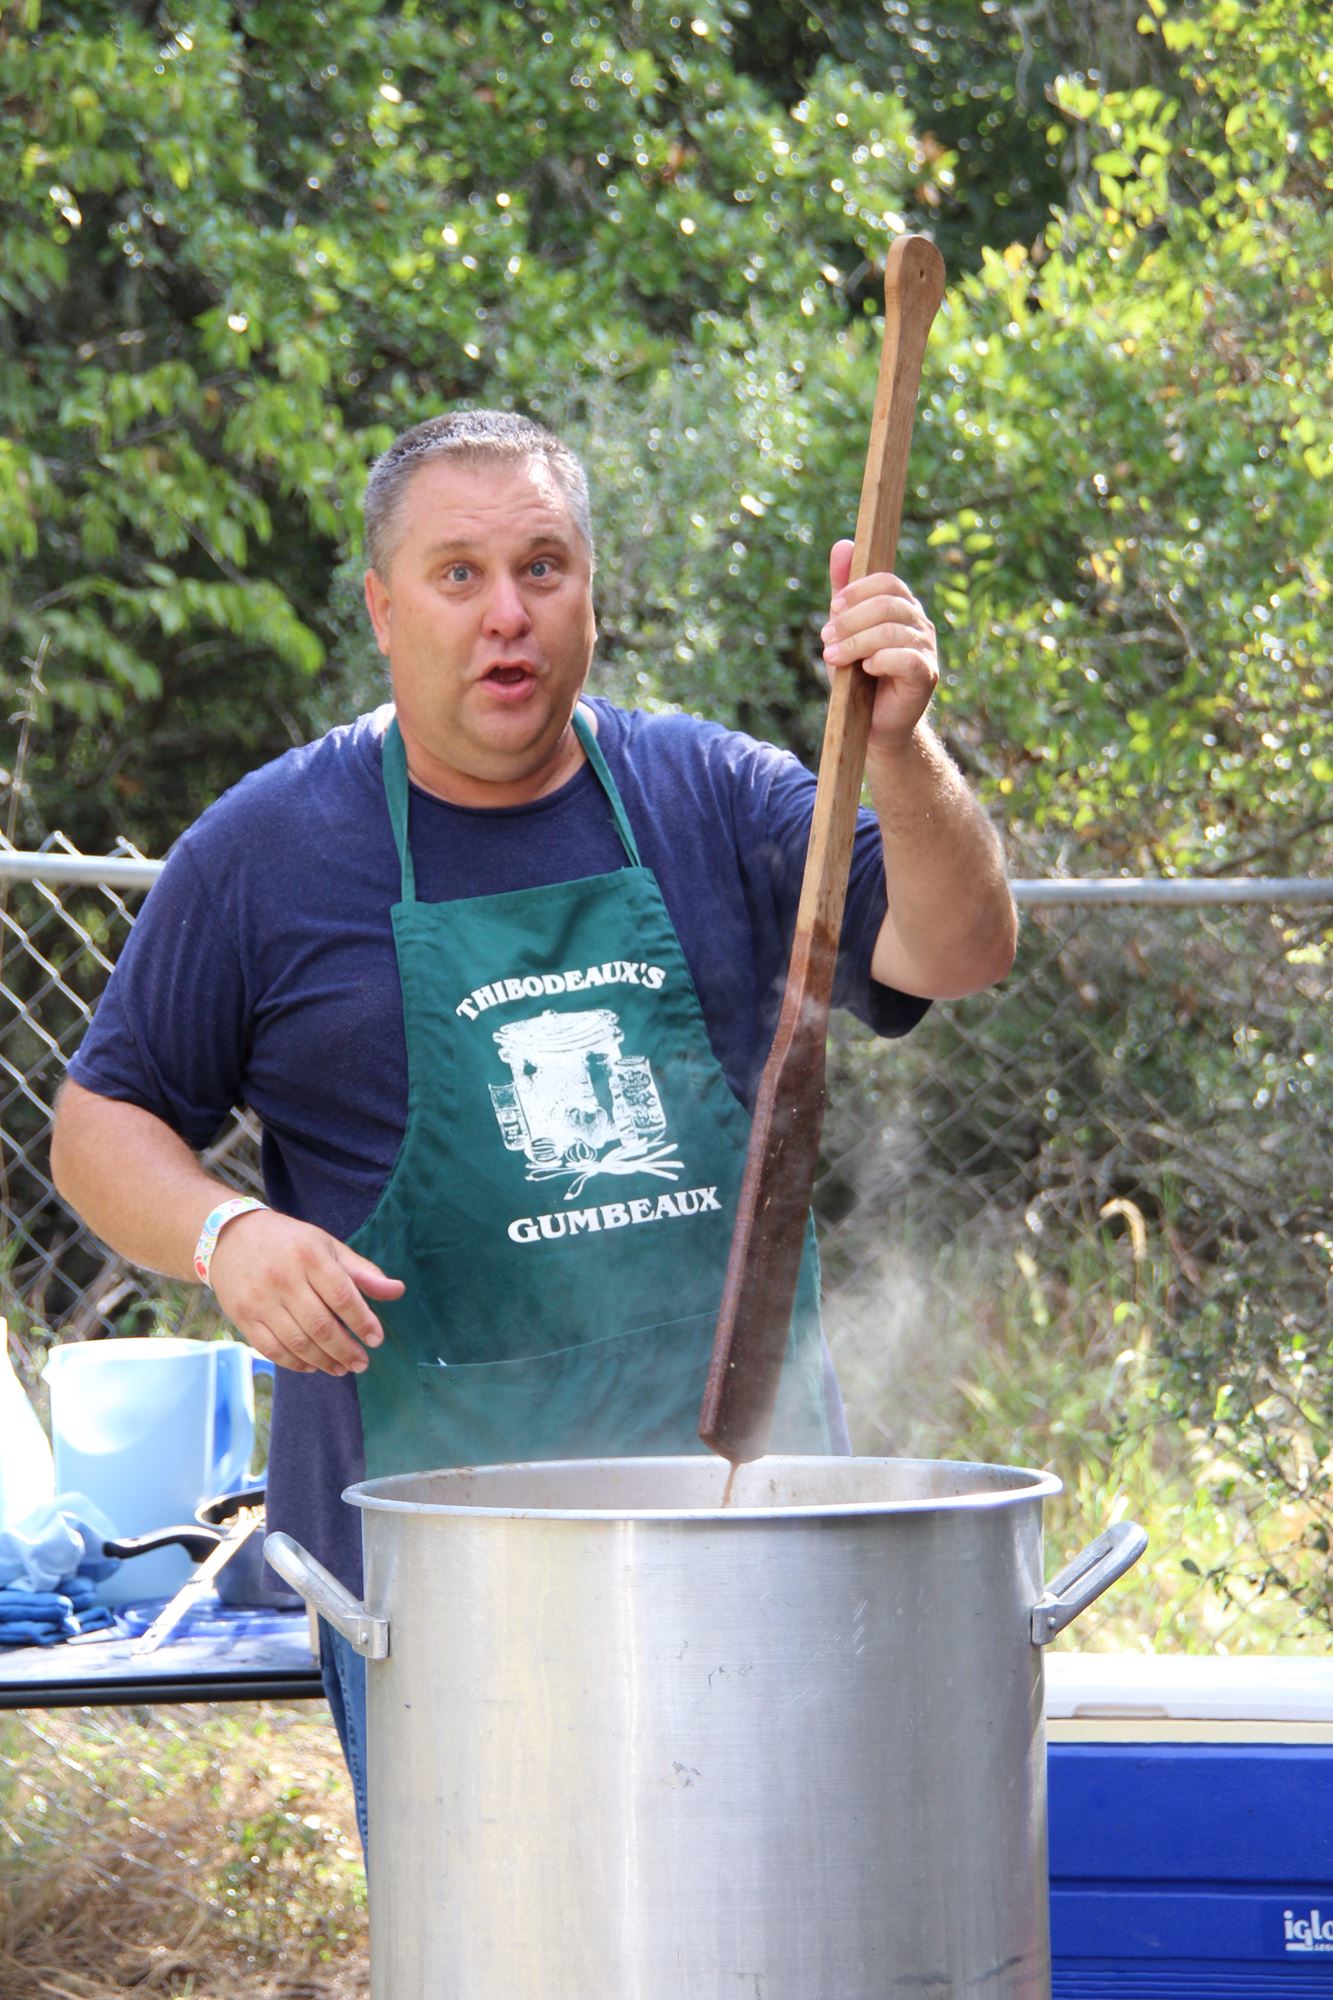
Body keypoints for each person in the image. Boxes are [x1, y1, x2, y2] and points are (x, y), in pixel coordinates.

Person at [49, 409, 1016, 1851]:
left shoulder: (721, 798)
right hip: (446, 1579)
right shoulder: (265, 852)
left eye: (543, 567)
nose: (506, 615)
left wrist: (900, 746)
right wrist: (225, 1231)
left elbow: (960, 948)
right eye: (456, 575)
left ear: (590, 592)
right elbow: (98, 1119)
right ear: (382, 609)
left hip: (751, 1526)